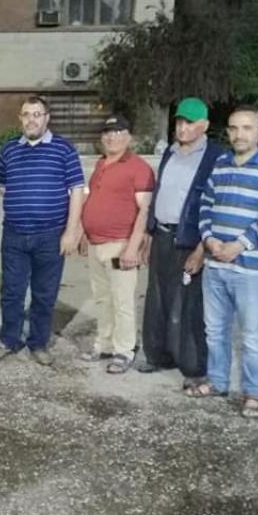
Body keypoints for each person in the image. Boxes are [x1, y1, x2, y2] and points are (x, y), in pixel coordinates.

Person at [186, 106, 258, 419]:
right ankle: (217, 381)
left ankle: (254, 393)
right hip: (216, 264)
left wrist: (240, 244)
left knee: (252, 335)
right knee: (215, 330)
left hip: (251, 267)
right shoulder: (221, 163)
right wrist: (209, 240)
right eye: (233, 128)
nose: (239, 134)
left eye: (247, 128)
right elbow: (206, 205)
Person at [0, 96, 86, 366]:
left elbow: (77, 190)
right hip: (14, 234)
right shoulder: (9, 149)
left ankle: (38, 342)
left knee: (45, 293)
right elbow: (1, 185)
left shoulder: (64, 149)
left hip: (50, 236)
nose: (31, 119)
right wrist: (25, 200)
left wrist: (71, 231)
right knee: (12, 291)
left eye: (37, 114)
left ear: (46, 118)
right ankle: (9, 339)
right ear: (20, 118)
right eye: (26, 114)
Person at [139, 97, 224, 386]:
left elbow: (215, 205)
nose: (182, 127)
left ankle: (193, 368)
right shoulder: (170, 152)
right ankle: (158, 355)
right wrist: (149, 233)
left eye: (189, 122)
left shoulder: (214, 157)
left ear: (205, 125)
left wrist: (201, 249)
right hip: (162, 235)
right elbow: (159, 193)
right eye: (179, 121)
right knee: (158, 298)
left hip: (189, 240)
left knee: (188, 305)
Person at [78, 116, 155, 373]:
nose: (112, 137)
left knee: (122, 301)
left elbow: (145, 210)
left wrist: (132, 247)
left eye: (119, 131)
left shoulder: (139, 167)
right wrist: (83, 233)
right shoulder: (101, 164)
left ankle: (124, 350)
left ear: (129, 136)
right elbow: (93, 200)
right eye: (108, 132)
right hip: (96, 244)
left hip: (120, 244)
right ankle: (105, 344)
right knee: (103, 299)